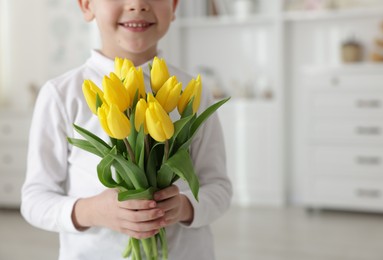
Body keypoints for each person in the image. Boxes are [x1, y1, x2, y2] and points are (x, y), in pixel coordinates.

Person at [21, 0, 232, 259]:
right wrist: (92, 211)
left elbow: (219, 188)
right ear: (87, 6)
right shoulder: (62, 95)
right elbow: (34, 200)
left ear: (174, 6)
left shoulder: (191, 93)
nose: (137, 4)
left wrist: (186, 207)